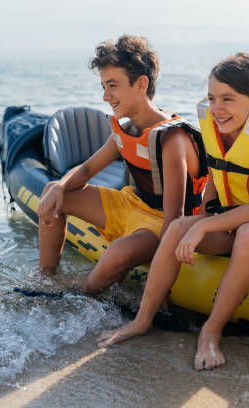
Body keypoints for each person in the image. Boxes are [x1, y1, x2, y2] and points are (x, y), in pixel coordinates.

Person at [97, 52, 249, 370]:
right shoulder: (220, 130)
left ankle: (210, 333)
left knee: (248, 234)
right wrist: (196, 222)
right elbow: (215, 184)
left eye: (228, 99)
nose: (217, 108)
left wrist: (204, 228)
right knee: (178, 226)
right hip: (228, 224)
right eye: (212, 98)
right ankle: (143, 319)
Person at [37, 35, 209, 294]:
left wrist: (161, 282)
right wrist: (60, 187)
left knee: (117, 253)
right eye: (104, 87)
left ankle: (80, 295)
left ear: (141, 84)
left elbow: (175, 219)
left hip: (161, 222)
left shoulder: (172, 139)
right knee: (51, 191)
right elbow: (86, 170)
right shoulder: (125, 128)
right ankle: (44, 279)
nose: (106, 96)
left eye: (113, 86)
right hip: (131, 204)